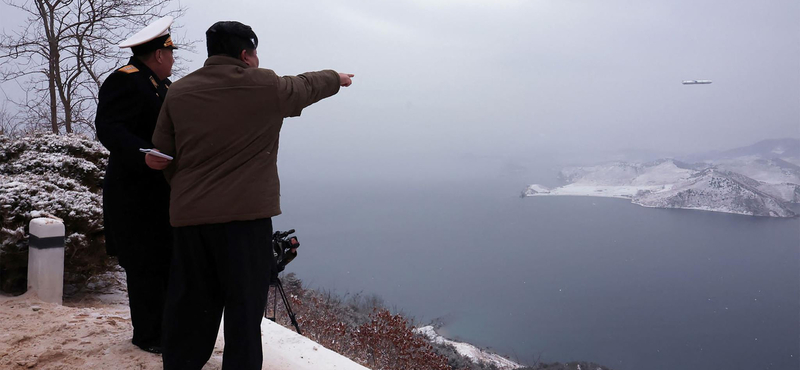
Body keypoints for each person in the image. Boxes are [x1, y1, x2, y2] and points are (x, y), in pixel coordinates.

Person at [147, 21, 353, 370]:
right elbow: (306, 85)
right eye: (255, 53)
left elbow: (162, 156)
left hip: (191, 221)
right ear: (246, 54)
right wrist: (336, 77)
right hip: (246, 223)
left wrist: (187, 192)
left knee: (192, 306)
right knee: (244, 312)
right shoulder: (266, 86)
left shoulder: (178, 92)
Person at [94, 16, 177, 354]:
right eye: (170, 53)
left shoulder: (165, 87)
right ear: (158, 55)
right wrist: (141, 156)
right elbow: (108, 128)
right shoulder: (123, 81)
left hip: (162, 192)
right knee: (144, 264)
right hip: (133, 192)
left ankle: (166, 330)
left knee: (165, 261)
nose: (174, 60)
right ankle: (148, 336)